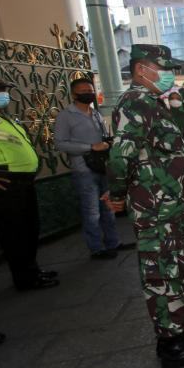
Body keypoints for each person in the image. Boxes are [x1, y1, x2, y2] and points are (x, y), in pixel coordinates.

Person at [103, 44, 184, 368]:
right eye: (162, 67)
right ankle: (171, 346)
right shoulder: (135, 102)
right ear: (142, 69)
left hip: (169, 207)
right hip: (155, 209)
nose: (168, 74)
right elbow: (120, 154)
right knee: (162, 273)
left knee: (179, 268)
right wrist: (115, 193)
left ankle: (178, 331)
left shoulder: (153, 102)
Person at [0, 75, 58, 290]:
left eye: (3, 89)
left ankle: (32, 270)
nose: (2, 94)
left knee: (28, 228)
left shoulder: (1, 116)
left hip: (21, 182)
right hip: (3, 183)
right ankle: (24, 278)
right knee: (14, 232)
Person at [54, 77, 133, 259]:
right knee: (91, 211)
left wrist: (108, 142)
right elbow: (60, 143)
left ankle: (113, 242)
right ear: (73, 94)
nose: (87, 94)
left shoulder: (95, 113)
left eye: (90, 90)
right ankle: (96, 248)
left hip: (103, 167)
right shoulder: (66, 115)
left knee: (108, 206)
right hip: (84, 169)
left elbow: (102, 138)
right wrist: (89, 147)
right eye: (82, 91)